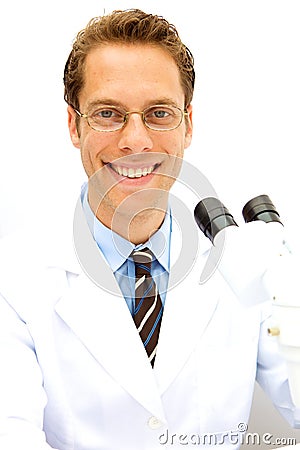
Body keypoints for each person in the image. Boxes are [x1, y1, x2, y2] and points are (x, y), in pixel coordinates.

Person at [0, 8, 299, 450]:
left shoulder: (246, 262)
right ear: (73, 125)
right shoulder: (16, 280)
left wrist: (288, 292)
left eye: (159, 113)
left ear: (188, 124)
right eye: (108, 114)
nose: (136, 141)